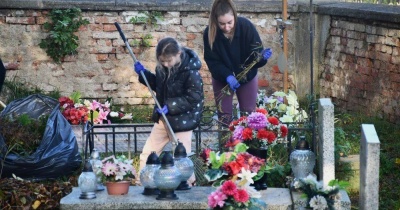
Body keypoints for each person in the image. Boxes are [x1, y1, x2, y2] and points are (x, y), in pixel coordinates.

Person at [134, 37, 204, 185]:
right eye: (162, 61)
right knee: (148, 152)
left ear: (179, 54)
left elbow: (194, 98)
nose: (165, 64)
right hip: (163, 119)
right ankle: (143, 182)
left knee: (182, 160)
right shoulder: (162, 68)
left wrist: (171, 105)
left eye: (169, 61)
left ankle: (189, 188)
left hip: (183, 121)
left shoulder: (191, 72)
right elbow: (158, 86)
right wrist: (144, 75)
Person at [203, 0, 272, 126]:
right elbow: (212, 61)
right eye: (222, 24)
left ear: (235, 16)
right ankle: (226, 145)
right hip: (222, 78)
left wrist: (262, 58)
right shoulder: (210, 33)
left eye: (229, 22)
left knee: (249, 115)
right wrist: (227, 75)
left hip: (247, 76)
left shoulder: (246, 27)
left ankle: (248, 144)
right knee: (224, 117)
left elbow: (255, 55)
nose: (226, 27)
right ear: (215, 20)